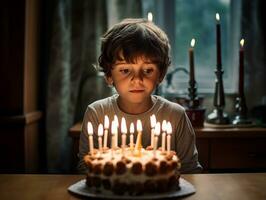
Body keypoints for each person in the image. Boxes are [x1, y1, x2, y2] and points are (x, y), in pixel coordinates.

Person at [78, 18, 202, 173]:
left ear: (161, 74)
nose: (137, 79)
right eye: (125, 70)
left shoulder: (175, 116)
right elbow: (85, 167)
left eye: (148, 70)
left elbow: (190, 170)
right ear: (109, 75)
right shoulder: (96, 113)